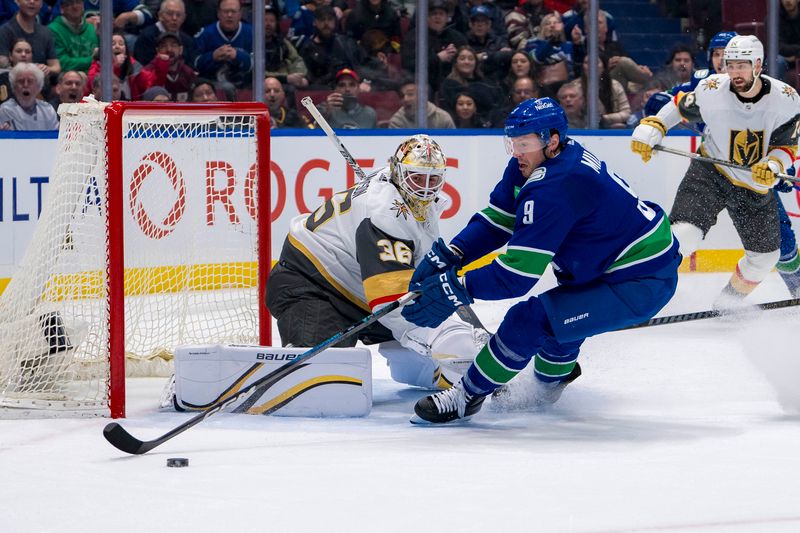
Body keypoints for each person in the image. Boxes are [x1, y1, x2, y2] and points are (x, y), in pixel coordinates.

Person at [403, 97, 681, 424]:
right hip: (609, 265)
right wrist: (454, 254)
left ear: (551, 140)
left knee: (529, 321)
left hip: (639, 281)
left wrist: (456, 287)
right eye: (513, 143)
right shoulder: (537, 162)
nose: (517, 151)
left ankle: (466, 397)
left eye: (525, 143)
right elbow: (499, 219)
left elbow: (515, 276)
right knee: (560, 321)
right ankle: (547, 389)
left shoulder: (556, 186)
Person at [265, 134, 486, 390]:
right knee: (322, 382)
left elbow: (420, 272)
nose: (425, 188)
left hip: (361, 287)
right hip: (312, 285)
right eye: (417, 178)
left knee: (423, 365)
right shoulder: (384, 212)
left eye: (432, 179)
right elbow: (389, 302)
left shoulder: (409, 192)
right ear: (399, 171)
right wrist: (445, 333)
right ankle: (300, 354)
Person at [631, 35, 800, 306]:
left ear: (758, 64)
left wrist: (773, 164)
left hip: (754, 187)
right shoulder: (712, 89)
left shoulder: (786, 99)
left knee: (765, 258)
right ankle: (634, 290)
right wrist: (654, 126)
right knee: (684, 236)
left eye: (741, 65)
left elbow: (787, 144)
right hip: (710, 173)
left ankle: (727, 304)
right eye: (730, 64)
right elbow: (678, 106)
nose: (734, 71)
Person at [194, 0, 253, 94]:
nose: (229, 15)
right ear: (218, 13)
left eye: (233, 11)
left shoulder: (252, 33)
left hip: (245, 86)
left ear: (240, 14)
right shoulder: (205, 34)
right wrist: (213, 56)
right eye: (225, 11)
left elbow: (258, 65)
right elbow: (195, 64)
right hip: (212, 87)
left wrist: (238, 56)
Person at [0, 0, 60, 79]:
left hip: (40, 84)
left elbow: (56, 67)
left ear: (41, 4)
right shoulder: (5, 31)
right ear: (17, 2)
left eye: (36, 0)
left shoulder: (46, 32)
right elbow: (2, 65)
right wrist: (31, 70)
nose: (32, 2)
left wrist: (47, 68)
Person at [133, 32, 196, 102]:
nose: (169, 49)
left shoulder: (189, 73)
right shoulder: (147, 72)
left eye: (173, 45)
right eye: (163, 46)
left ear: (181, 50)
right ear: (157, 50)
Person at [133, 0, 196, 68]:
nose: (174, 18)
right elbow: (143, 68)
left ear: (184, 18)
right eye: (170, 14)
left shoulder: (187, 40)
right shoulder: (147, 37)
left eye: (178, 15)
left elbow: (191, 68)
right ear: (160, 15)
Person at [0, 61, 59, 129]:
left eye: (30, 81)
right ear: (14, 87)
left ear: (38, 87)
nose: (25, 85)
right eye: (21, 81)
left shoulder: (47, 110)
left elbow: (55, 136)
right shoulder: (5, 110)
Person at [47, 0, 98, 74]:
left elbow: (103, 59)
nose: (75, 6)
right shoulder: (52, 30)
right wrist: (91, 60)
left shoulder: (93, 29)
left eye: (78, 2)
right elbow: (62, 63)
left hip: (94, 80)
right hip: (66, 80)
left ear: (83, 6)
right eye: (69, 3)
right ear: (62, 9)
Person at [388, 79, 455, 129]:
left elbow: (453, 143)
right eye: (402, 96)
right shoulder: (396, 121)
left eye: (410, 94)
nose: (405, 99)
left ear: (424, 95)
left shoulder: (442, 118)